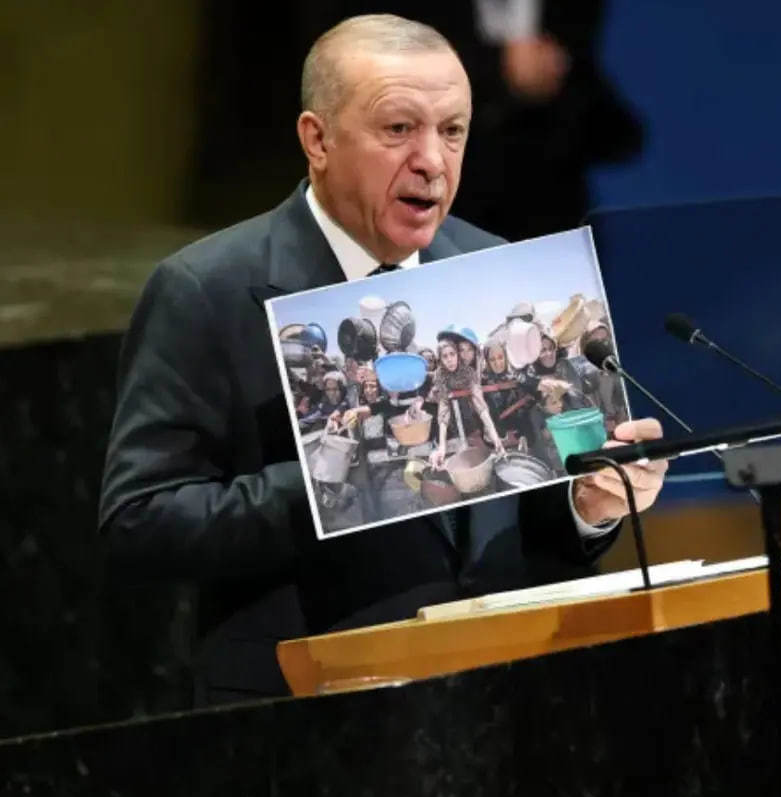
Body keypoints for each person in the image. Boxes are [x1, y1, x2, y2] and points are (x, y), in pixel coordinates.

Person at [99, 14, 666, 705]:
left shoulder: (494, 264)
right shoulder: (205, 289)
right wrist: (334, 489)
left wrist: (588, 505)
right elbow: (139, 521)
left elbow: (516, 520)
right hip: (306, 710)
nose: (432, 160)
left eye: (452, 131)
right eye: (398, 129)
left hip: (491, 698)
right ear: (318, 139)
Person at [429, 327, 506, 468]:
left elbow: (480, 405)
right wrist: (442, 447)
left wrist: (495, 437)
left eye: (452, 354)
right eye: (445, 356)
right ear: (440, 359)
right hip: (452, 423)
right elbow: (443, 408)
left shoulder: (469, 373)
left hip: (472, 419)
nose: (450, 359)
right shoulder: (440, 375)